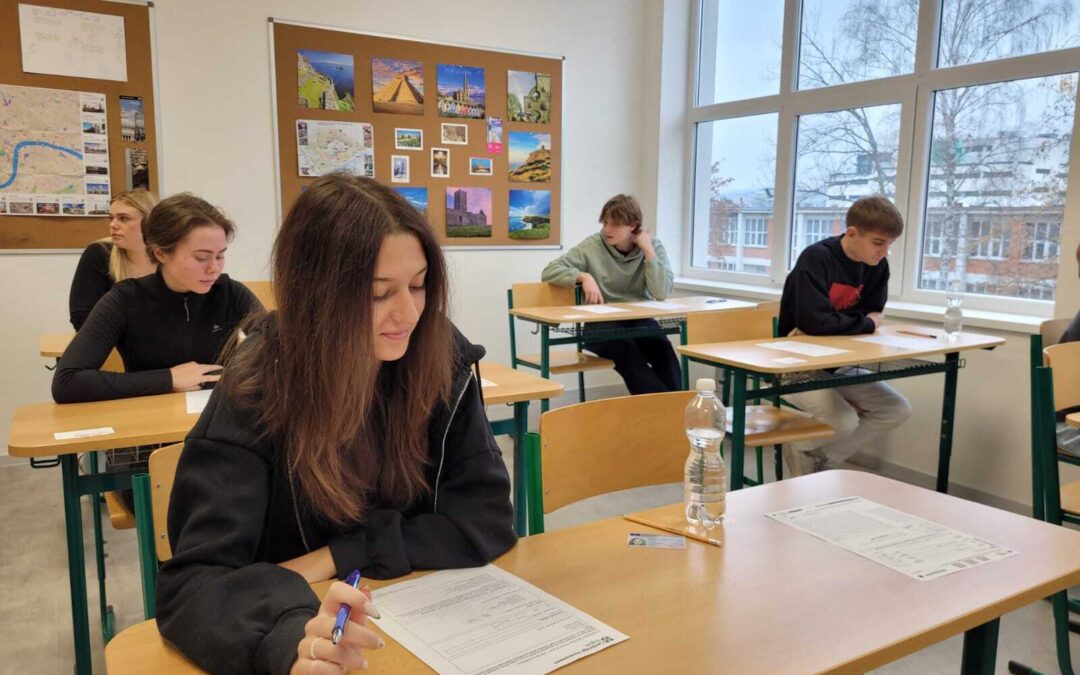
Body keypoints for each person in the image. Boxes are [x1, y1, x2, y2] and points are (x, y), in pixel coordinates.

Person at [156, 175, 516, 675]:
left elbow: (486, 519)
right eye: (378, 293)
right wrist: (288, 642)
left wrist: (337, 555)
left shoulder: (439, 356)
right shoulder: (257, 387)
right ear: (316, 298)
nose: (409, 313)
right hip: (305, 628)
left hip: (414, 622)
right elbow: (195, 585)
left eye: (418, 285)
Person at [52, 193, 261, 404]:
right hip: (151, 415)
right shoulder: (125, 299)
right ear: (161, 253)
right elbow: (67, 382)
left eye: (220, 256)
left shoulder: (231, 293)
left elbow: (276, 350)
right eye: (201, 258)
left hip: (216, 413)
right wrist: (169, 379)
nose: (214, 268)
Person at [777, 195, 912, 476]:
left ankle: (823, 457)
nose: (884, 252)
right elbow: (814, 321)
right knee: (844, 420)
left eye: (889, 244)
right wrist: (861, 323)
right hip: (796, 366)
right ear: (852, 233)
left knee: (896, 409)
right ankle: (800, 447)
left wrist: (839, 323)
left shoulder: (877, 267)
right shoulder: (817, 258)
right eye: (878, 242)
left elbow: (872, 316)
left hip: (840, 362)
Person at [541, 194, 680, 394]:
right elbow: (549, 271)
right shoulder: (592, 246)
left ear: (633, 226)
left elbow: (661, 292)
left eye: (615, 224)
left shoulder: (653, 246)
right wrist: (583, 276)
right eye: (605, 222)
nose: (607, 229)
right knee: (630, 358)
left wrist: (648, 251)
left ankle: (678, 408)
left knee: (664, 353)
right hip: (601, 324)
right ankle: (666, 409)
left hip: (639, 320)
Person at [68, 190, 159, 330]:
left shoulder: (169, 256)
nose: (113, 225)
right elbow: (81, 317)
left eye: (123, 218)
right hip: (110, 342)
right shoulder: (100, 253)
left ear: (149, 222)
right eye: (111, 218)